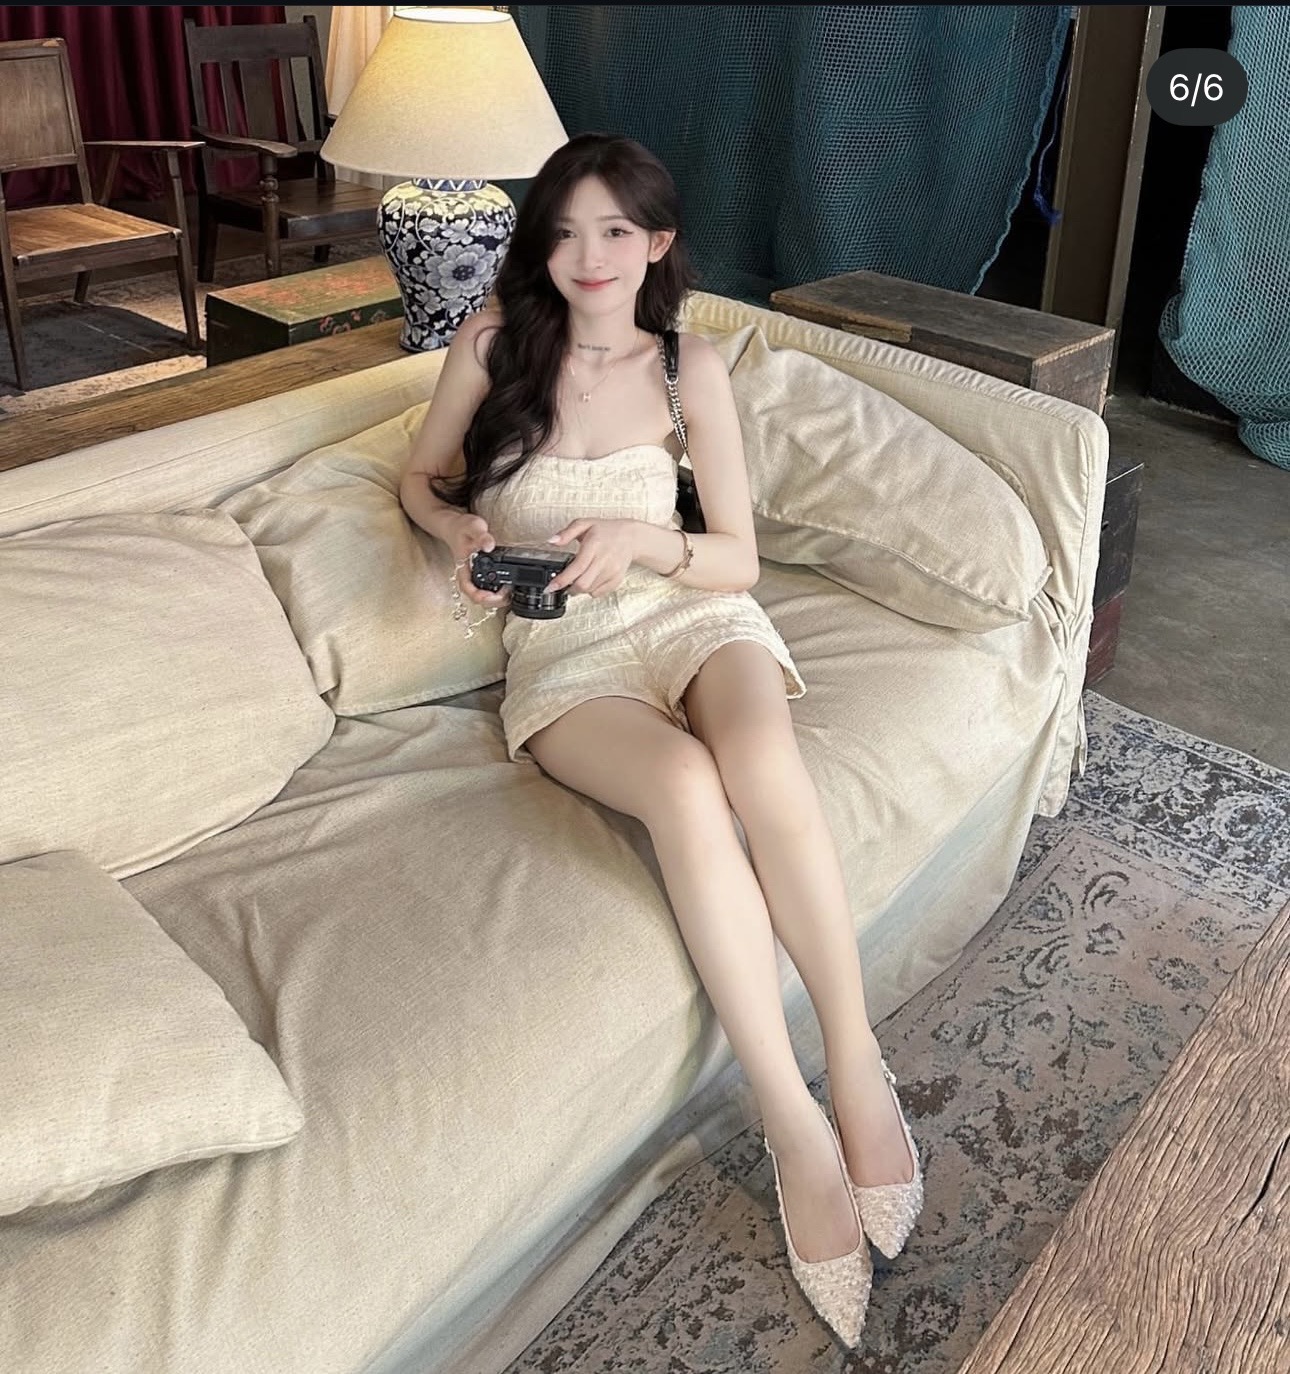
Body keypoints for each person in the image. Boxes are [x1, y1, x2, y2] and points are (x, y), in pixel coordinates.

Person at [398, 132, 922, 1349]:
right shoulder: (489, 349)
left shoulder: (691, 367)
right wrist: (458, 531)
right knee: (686, 789)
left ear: (657, 243)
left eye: (616, 231)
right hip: (567, 657)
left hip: (694, 615)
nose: (588, 256)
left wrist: (645, 543)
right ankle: (793, 1126)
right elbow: (420, 480)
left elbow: (737, 558)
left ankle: (855, 1063)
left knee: (760, 763)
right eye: (565, 231)